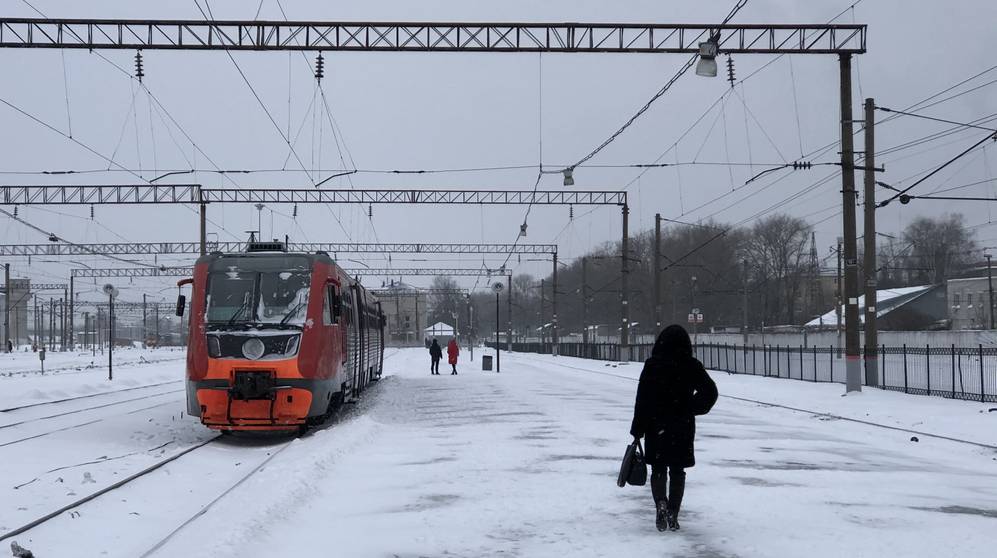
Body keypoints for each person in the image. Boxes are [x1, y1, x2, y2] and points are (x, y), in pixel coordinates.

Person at [630, 324, 718, 532]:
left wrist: (638, 428)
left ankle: (660, 502)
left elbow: (642, 399)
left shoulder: (652, 365)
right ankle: (673, 512)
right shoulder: (691, 365)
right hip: (682, 426)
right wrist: (691, 407)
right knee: (678, 470)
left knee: (658, 468)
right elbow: (710, 392)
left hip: (655, 424)